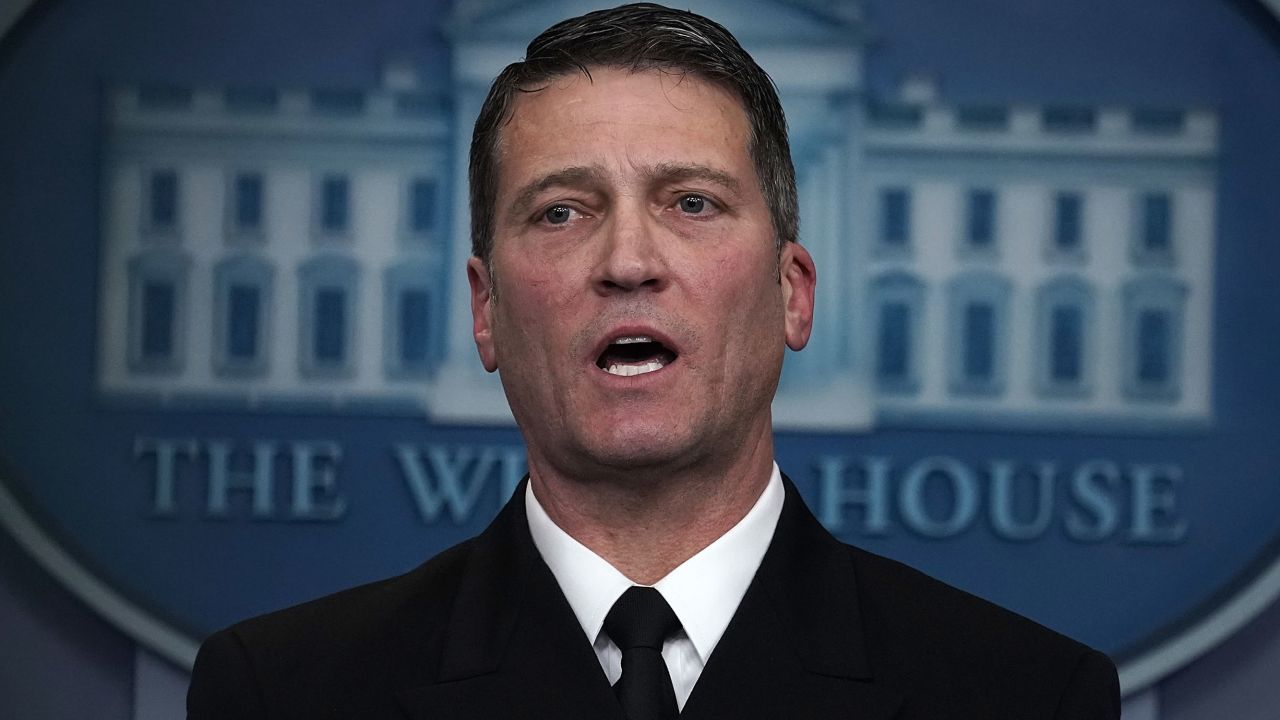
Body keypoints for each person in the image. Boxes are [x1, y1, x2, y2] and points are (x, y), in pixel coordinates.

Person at [187, 4, 1120, 718]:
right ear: (486, 312)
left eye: (692, 204)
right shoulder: (283, 694)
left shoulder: (1026, 696)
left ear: (793, 291)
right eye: (561, 212)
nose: (628, 261)